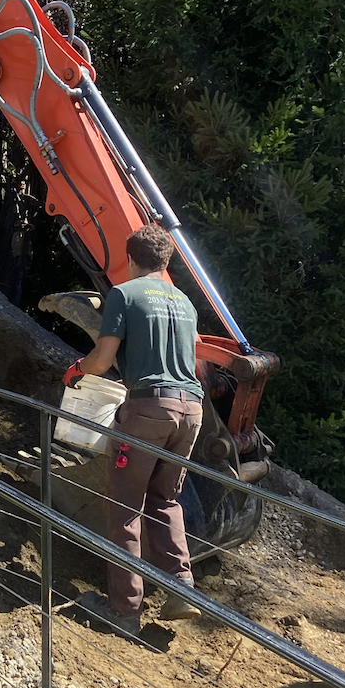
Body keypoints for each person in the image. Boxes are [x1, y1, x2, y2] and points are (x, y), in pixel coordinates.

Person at [64, 223, 204, 635]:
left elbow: (103, 361)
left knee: (126, 509)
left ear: (129, 259)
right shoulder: (185, 303)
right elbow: (191, 360)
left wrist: (75, 371)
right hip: (190, 412)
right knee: (165, 500)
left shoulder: (124, 294)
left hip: (148, 410)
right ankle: (182, 590)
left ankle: (124, 612)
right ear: (166, 261)